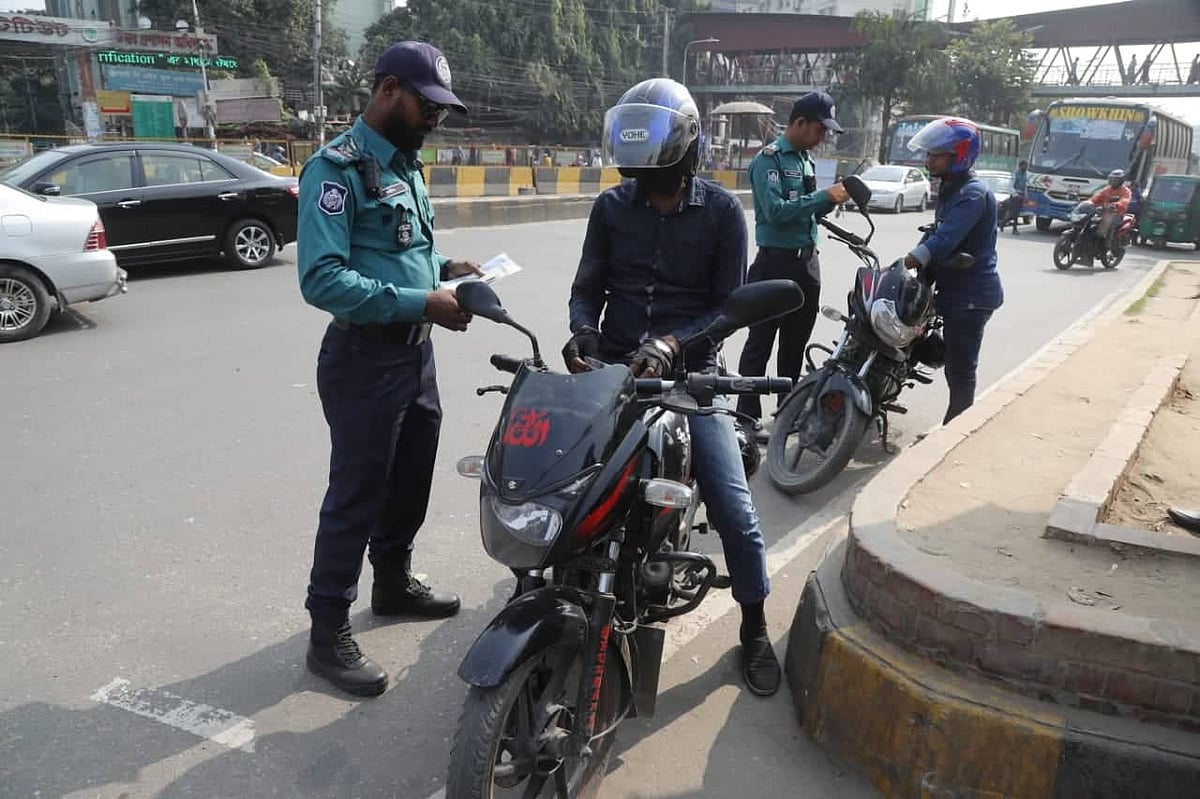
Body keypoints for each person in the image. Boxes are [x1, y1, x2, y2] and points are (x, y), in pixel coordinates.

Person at [563, 77, 783, 696]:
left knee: (736, 514)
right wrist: (582, 331)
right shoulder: (610, 209)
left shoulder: (720, 213)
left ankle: (755, 627)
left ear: (688, 152)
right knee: (563, 483)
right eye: (639, 172)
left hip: (692, 379)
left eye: (658, 170)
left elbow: (727, 308)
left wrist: (672, 344)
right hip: (614, 372)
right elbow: (588, 288)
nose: (647, 184)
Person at [296, 40, 482, 697]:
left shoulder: (406, 166)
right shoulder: (336, 169)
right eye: (427, 105)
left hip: (414, 354)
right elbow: (322, 279)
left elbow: (396, 254)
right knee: (356, 494)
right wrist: (420, 297)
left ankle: (393, 582)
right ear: (388, 90)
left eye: (442, 110)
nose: (436, 119)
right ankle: (327, 633)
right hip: (363, 357)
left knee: (410, 479)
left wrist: (445, 272)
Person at [736, 91, 850, 437]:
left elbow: (808, 211)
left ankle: (785, 416)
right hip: (774, 265)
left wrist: (831, 201)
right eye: (819, 129)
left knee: (794, 347)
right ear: (799, 123)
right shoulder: (768, 161)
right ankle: (746, 419)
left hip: (805, 265)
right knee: (760, 344)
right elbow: (775, 212)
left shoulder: (805, 161)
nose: (823, 137)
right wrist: (821, 197)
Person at [903, 117, 1003, 425]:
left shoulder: (972, 193)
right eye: (930, 153)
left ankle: (954, 432)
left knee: (960, 370)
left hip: (971, 296)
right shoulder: (951, 188)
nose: (929, 159)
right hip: (952, 291)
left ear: (959, 156)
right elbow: (936, 230)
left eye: (937, 155)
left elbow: (947, 238)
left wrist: (916, 257)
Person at [1089, 169, 1132, 256]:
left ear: (1121, 180)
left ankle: (1107, 247)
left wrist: (1116, 204)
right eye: (1112, 179)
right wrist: (1088, 203)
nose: (1113, 181)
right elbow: (1096, 198)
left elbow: (1125, 200)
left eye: (1115, 179)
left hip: (1117, 214)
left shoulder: (1125, 191)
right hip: (1104, 212)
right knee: (1090, 221)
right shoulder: (1107, 190)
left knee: (1109, 223)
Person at [1005, 160, 1028, 235]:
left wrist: (1025, 195)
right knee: (1015, 213)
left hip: (1021, 195)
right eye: (1023, 166)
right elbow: (1010, 186)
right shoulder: (1015, 174)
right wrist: (1015, 194)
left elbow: (1025, 186)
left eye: (1026, 166)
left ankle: (1003, 222)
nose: (1024, 167)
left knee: (1016, 213)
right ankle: (1014, 229)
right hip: (1015, 195)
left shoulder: (1026, 174)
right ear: (1020, 166)